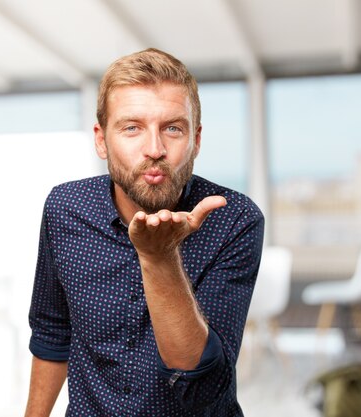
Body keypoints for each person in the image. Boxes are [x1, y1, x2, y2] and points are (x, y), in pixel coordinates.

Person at [25, 48, 264, 417]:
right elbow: (52, 335)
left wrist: (159, 256)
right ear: (101, 139)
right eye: (132, 128)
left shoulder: (235, 220)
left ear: (196, 140)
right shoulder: (65, 207)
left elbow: (200, 384)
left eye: (173, 128)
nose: (155, 150)